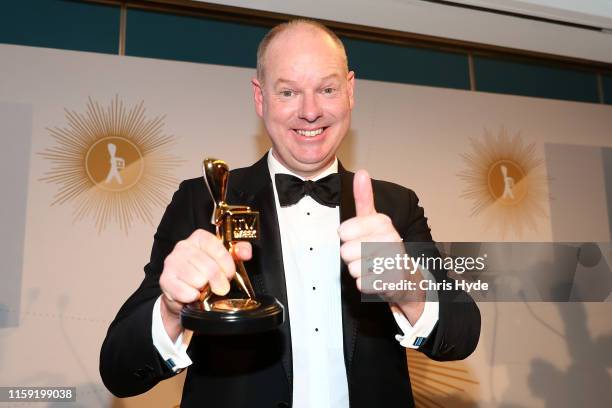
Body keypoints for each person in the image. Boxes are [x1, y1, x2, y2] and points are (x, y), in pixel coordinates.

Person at [100, 19, 480, 408]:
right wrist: (171, 309)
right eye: (288, 92)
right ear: (260, 97)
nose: (310, 111)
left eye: (327, 89)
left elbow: (462, 335)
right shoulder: (203, 201)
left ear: (350, 91)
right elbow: (118, 370)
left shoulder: (395, 206)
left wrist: (409, 290)